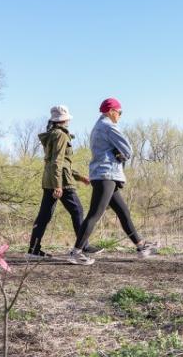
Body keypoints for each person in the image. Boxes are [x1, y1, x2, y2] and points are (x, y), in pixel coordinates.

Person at [67, 97, 156, 265]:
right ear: (111, 111)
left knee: (123, 212)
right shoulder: (108, 126)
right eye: (119, 112)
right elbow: (128, 150)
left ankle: (141, 246)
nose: (120, 116)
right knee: (94, 214)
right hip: (106, 175)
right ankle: (76, 252)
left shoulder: (98, 126)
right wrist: (122, 154)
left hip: (105, 175)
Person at [28, 105, 102, 258]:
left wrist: (79, 177)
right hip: (61, 182)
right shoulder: (61, 135)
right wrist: (58, 186)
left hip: (49, 180)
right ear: (64, 119)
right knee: (78, 211)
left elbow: (59, 162)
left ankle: (33, 250)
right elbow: (57, 162)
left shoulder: (52, 134)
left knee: (44, 216)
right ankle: (84, 246)